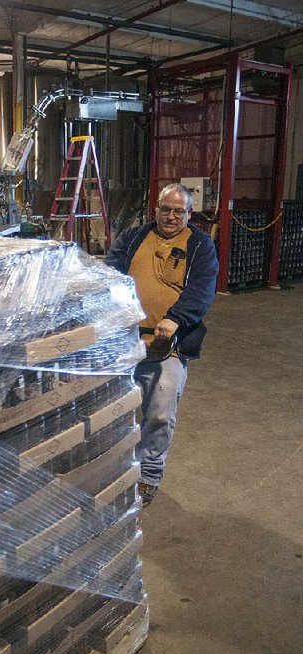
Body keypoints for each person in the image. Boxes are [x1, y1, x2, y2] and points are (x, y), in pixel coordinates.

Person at [105, 183, 218, 505]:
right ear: (156, 209)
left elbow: (201, 291)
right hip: (125, 338)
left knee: (159, 414)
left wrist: (175, 320)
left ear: (189, 214)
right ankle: (117, 467)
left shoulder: (200, 245)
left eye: (178, 211)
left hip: (168, 343)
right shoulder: (133, 237)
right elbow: (111, 275)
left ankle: (149, 475)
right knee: (114, 409)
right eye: (165, 209)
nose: (170, 216)